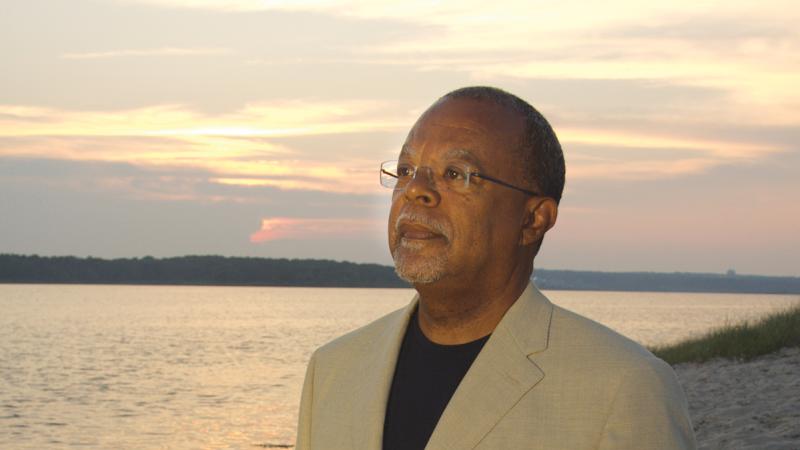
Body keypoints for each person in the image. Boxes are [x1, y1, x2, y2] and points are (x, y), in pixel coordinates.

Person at [294, 86, 696, 450]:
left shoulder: (623, 386)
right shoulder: (333, 370)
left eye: (456, 174)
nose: (416, 189)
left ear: (533, 219)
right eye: (405, 170)